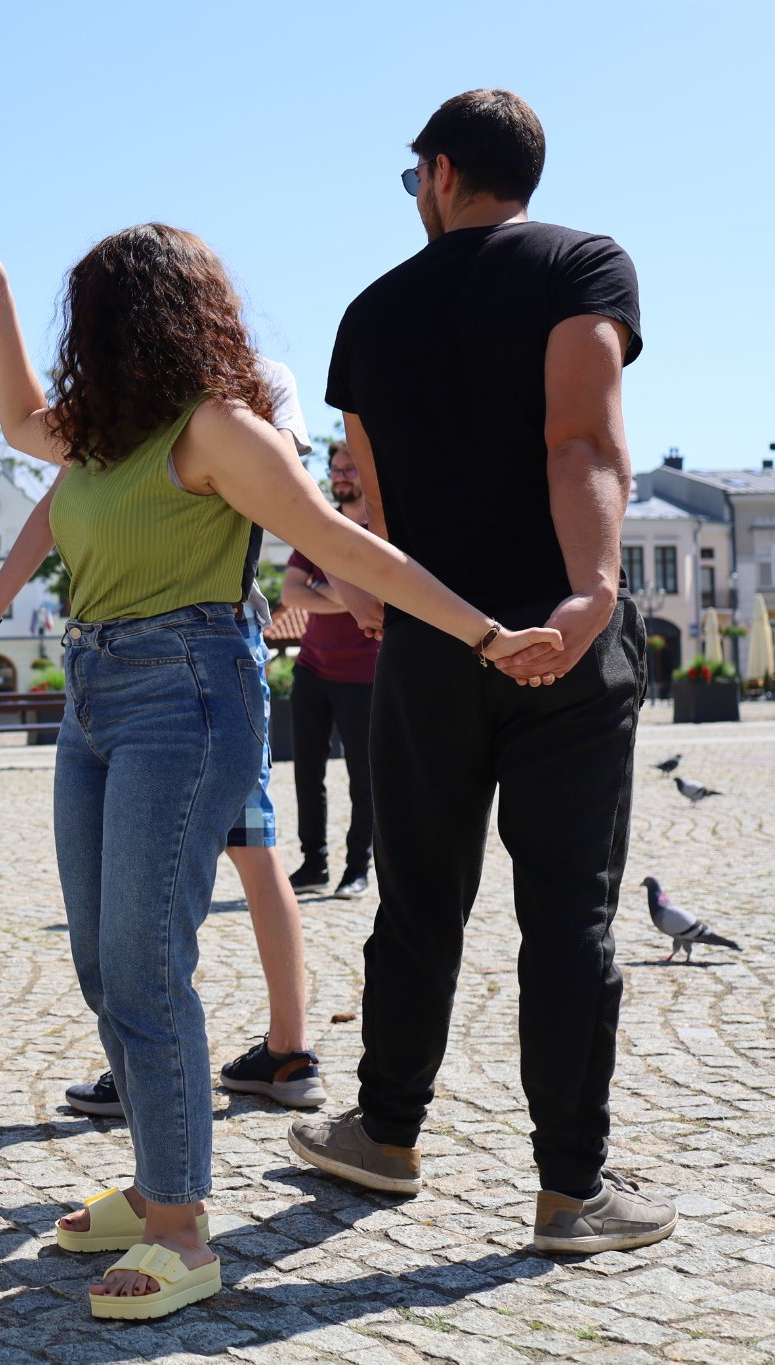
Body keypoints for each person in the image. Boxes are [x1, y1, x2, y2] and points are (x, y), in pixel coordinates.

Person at [0, 230, 557, 1317]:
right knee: (102, 964)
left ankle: (181, 1230)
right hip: (93, 697)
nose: (72, 337)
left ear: (129, 317)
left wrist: (481, 632)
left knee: (143, 965)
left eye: (82, 316)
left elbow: (345, 546)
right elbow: (12, 422)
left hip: (182, 695)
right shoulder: (98, 436)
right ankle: (151, 1184)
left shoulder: (216, 430)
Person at [287, 89, 674, 1255]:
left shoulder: (368, 313)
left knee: (416, 903)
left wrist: (398, 619)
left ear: (442, 171)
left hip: (428, 648)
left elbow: (368, 534)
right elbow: (582, 440)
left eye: (412, 181)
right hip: (558, 642)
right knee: (567, 916)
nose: (414, 199)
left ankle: (385, 1136)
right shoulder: (582, 267)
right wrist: (588, 593)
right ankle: (570, 1193)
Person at [0, 358, 329, 1126]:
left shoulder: (247, 387)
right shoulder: (131, 394)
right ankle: (223, 1056)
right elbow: (59, 502)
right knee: (188, 870)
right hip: (128, 654)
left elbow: (286, 481)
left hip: (209, 644)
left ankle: (251, 1052)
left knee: (223, 860)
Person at [280, 442, 380, 897]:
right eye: (336, 468)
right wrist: (343, 589)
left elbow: (378, 594)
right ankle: (313, 863)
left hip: (365, 674)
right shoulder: (319, 525)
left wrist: (322, 584)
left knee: (364, 776)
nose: (341, 476)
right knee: (307, 773)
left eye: (350, 469)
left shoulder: (381, 528)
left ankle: (357, 868)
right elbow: (291, 594)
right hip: (312, 670)